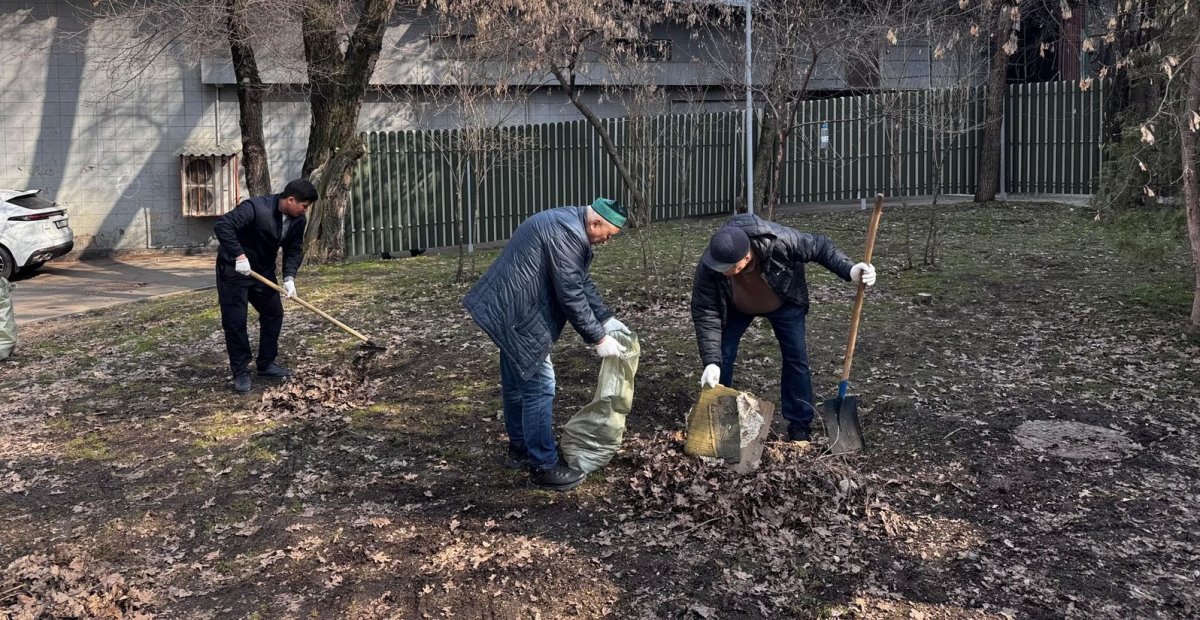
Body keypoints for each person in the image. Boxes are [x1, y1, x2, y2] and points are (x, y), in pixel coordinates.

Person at [464, 198, 630, 492]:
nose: (606, 241)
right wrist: (598, 338)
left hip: (505, 308)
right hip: (520, 317)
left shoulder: (568, 223)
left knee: (517, 384)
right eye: (607, 234)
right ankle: (543, 466)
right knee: (541, 386)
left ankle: (519, 449)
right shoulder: (568, 234)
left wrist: (605, 318)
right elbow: (570, 294)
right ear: (595, 223)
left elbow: (579, 280)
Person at [690, 214, 876, 442]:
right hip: (737, 306)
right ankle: (717, 422)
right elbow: (705, 311)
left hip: (784, 300)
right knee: (722, 355)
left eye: (727, 268)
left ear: (746, 257)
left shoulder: (779, 240)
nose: (721, 271)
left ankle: (800, 427)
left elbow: (820, 246)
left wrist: (849, 270)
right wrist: (711, 360)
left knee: (796, 358)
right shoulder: (713, 262)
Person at [213, 179, 318, 393]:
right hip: (234, 270)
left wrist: (289, 277)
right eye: (304, 206)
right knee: (235, 321)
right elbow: (223, 226)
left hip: (262, 270)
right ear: (290, 199)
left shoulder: (298, 220)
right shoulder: (256, 208)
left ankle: (266, 363)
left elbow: (294, 249)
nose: (305, 210)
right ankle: (241, 371)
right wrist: (239, 256)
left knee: (273, 313)